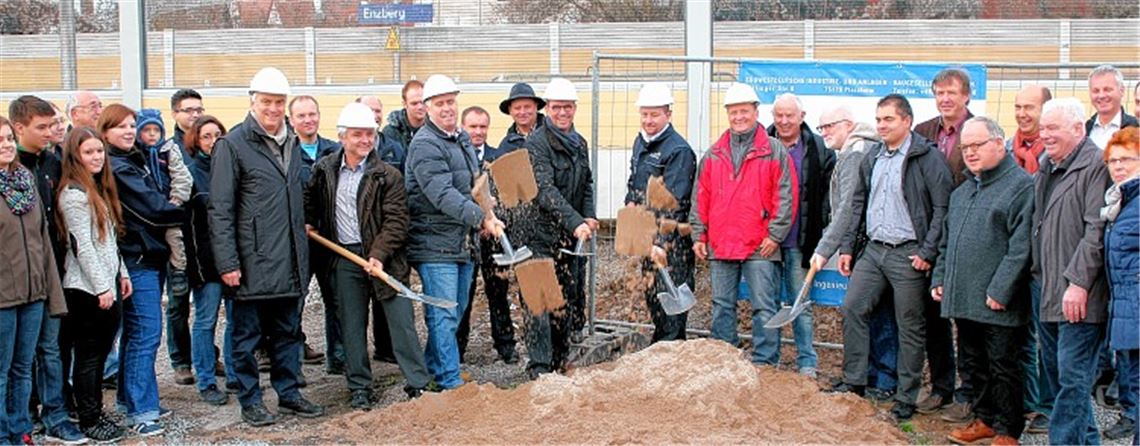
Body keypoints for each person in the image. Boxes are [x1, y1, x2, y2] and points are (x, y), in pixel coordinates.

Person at [209, 67, 324, 426]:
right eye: (266, 102)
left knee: (288, 331)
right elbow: (220, 209)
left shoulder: (292, 143)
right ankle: (250, 399)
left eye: (278, 102)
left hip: (289, 259)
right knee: (246, 337)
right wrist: (228, 262)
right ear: (252, 102)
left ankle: (289, 393)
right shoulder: (233, 145)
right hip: (252, 260)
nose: (273, 109)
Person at [831, 94, 953, 423]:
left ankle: (905, 396)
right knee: (853, 307)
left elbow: (942, 209)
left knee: (909, 325)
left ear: (907, 121)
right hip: (874, 250)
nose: (882, 125)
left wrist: (927, 252)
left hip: (909, 253)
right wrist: (847, 247)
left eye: (889, 119)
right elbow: (858, 204)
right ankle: (854, 381)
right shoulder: (873, 156)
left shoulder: (927, 158)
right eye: (879, 119)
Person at [306, 102, 432, 409]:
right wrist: (308, 220)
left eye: (370, 134)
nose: (365, 140)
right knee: (351, 325)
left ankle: (418, 384)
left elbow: (397, 221)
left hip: (385, 258)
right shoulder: (324, 170)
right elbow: (311, 200)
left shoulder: (387, 175)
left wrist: (378, 254)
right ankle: (359, 386)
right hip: (344, 258)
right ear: (342, 137)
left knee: (401, 323)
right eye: (358, 134)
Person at [932, 117, 1034, 445]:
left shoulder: (1021, 187)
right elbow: (947, 241)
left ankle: (1008, 430)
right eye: (965, 147)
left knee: (1003, 365)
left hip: (998, 301)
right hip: (965, 296)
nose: (970, 153)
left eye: (977, 145)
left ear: (999, 144)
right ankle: (985, 419)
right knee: (973, 363)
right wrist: (941, 277)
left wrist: (1002, 289)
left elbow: (1021, 247)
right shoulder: (962, 192)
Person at [405, 74, 502, 388]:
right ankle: (449, 381)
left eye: (451, 101)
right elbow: (442, 195)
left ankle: (433, 370)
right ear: (427, 107)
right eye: (440, 103)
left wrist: (488, 209)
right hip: (434, 243)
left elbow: (474, 183)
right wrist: (481, 219)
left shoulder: (459, 139)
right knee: (443, 314)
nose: (447, 108)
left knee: (455, 312)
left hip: (461, 241)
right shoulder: (425, 145)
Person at [691, 82, 797, 366]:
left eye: (744, 111)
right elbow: (700, 196)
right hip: (721, 240)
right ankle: (725, 359)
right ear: (728, 114)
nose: (739, 117)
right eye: (733, 112)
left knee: (764, 306)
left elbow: (785, 195)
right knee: (721, 305)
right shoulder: (714, 153)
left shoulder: (773, 151)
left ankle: (765, 361)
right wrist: (699, 234)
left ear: (755, 112)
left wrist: (775, 235)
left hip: (760, 244)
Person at [100, 103, 184, 436]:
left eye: (131, 125)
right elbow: (154, 208)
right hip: (137, 257)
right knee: (145, 333)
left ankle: (130, 399)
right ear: (105, 131)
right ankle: (141, 410)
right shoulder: (120, 168)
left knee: (137, 334)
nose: (128, 131)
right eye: (119, 126)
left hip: (146, 255)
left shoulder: (133, 159)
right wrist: (188, 210)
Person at [1032, 97, 1111, 445]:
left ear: (1078, 129)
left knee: (1072, 381)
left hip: (1080, 296)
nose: (1044, 134)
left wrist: (1078, 283)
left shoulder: (1096, 165)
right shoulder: (1047, 165)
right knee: (1063, 381)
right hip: (1048, 288)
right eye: (1043, 128)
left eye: (1053, 128)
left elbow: (1096, 229)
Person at [11, 95, 85, 444]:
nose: (49, 132)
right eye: (41, 127)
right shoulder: (12, 171)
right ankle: (24, 416)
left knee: (52, 349)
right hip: (18, 277)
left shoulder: (52, 162)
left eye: (52, 124)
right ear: (19, 128)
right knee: (20, 357)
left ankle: (56, 413)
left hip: (53, 271)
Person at [811, 106, 898, 401]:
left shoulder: (856, 154)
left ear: (848, 125)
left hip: (873, 246)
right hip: (862, 245)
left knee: (877, 313)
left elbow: (848, 209)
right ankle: (869, 376)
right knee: (867, 312)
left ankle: (883, 380)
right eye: (821, 127)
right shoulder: (853, 151)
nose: (824, 132)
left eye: (830, 126)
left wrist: (825, 249)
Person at [55, 126, 132, 442]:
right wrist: (102, 287)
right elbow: (83, 247)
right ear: (75, 156)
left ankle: (96, 410)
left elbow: (108, 241)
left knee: (100, 355)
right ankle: (88, 417)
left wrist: (122, 273)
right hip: (86, 289)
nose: (97, 156)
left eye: (99, 150)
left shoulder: (97, 190)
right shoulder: (73, 195)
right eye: (88, 152)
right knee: (89, 357)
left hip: (107, 282)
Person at [522, 77, 597, 378]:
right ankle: (539, 367)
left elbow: (586, 183)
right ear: (547, 109)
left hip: (567, 235)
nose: (562, 112)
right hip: (538, 234)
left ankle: (559, 360)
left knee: (565, 298)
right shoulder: (536, 143)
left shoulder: (579, 143)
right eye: (556, 107)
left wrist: (588, 215)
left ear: (575, 108)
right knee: (540, 301)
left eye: (567, 107)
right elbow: (544, 190)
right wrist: (575, 221)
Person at [0, 114, 67, 446]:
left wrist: (52, 293)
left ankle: (19, 430)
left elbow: (43, 241)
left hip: (33, 294)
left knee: (22, 368)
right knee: (1, 371)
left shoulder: (25, 181)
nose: (6, 145)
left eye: (8, 139)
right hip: (3, 297)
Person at [912, 67, 974, 420]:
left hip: (964, 236)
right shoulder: (923, 132)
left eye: (952, 92)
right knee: (932, 320)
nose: (945, 99)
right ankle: (941, 387)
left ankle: (968, 393)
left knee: (965, 321)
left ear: (966, 95)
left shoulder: (977, 131)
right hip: (929, 238)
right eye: (940, 93)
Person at [766, 92, 835, 377]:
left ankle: (807, 361)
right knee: (767, 304)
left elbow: (829, 195)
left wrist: (823, 227)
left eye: (789, 115)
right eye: (778, 115)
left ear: (802, 117)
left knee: (800, 304)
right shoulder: (761, 144)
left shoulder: (818, 148)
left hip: (800, 240)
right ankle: (768, 360)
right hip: (766, 242)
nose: (784, 121)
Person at [624, 83, 696, 342]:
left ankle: (672, 350)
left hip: (671, 242)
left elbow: (675, 203)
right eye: (644, 114)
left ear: (668, 114)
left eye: (654, 114)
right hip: (647, 235)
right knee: (654, 297)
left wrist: (661, 243)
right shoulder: (641, 142)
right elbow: (634, 183)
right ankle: (660, 348)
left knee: (671, 303)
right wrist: (630, 206)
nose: (648, 120)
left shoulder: (678, 151)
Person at [1006, 84, 1055, 433]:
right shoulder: (1009, 149)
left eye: (1030, 107)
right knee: (1019, 333)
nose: (1023, 114)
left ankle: (1048, 406)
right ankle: (1027, 399)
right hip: (1015, 253)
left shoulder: (1054, 153)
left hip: (1046, 259)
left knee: (1046, 338)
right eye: (1018, 107)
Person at [136, 108, 196, 386]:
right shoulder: (134, 156)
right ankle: (177, 360)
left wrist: (172, 204)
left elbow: (183, 179)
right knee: (154, 315)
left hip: (170, 215)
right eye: (146, 130)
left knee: (178, 296)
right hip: (146, 228)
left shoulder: (169, 151)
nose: (151, 136)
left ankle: (179, 271)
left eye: (155, 130)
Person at [456, 105, 519, 364]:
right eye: (473, 126)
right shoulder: (456, 158)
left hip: (494, 238)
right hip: (467, 237)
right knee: (464, 292)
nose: (478, 132)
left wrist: (495, 219)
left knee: (498, 291)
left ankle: (505, 345)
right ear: (463, 127)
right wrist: (477, 222)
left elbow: (508, 197)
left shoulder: (497, 158)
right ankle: (457, 347)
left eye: (483, 127)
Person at [182, 115, 237, 404]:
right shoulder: (192, 173)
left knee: (236, 319)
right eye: (206, 136)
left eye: (218, 134)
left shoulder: (231, 169)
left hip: (233, 258)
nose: (213, 141)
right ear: (196, 140)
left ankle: (235, 375)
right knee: (206, 320)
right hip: (205, 261)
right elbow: (189, 226)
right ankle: (206, 380)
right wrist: (197, 266)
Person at [287, 95, 338, 372]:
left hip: (330, 239)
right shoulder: (285, 152)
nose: (308, 120)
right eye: (302, 115)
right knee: (295, 302)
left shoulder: (334, 151)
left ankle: (338, 359)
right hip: (298, 241)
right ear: (292, 120)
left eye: (312, 114)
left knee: (336, 300)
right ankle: (293, 364)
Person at [1101, 127, 1139, 443]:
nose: (1118, 166)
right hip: (1127, 312)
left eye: (1126, 159)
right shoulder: (1121, 202)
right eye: (1113, 161)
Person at [1086, 65, 1139, 149]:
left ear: (1122, 90)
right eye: (1096, 91)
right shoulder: (1085, 130)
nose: (1101, 95)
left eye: (1107, 90)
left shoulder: (1135, 127)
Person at [355, 95, 406, 172]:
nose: (374, 116)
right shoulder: (343, 149)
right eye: (369, 111)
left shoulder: (396, 149)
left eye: (378, 111)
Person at [498, 82, 546, 153]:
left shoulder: (551, 134)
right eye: (517, 108)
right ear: (510, 110)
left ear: (536, 107)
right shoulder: (506, 145)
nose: (522, 112)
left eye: (527, 107)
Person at [383, 80, 427, 156]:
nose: (420, 107)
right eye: (414, 103)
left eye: (423, 102)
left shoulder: (437, 129)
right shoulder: (391, 132)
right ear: (404, 104)